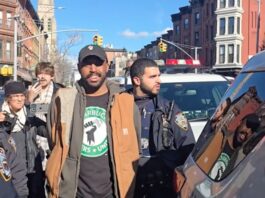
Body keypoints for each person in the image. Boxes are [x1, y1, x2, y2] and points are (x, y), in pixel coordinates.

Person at [45, 44, 141, 198]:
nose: (93, 69)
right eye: (87, 64)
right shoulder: (63, 99)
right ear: (78, 67)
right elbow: (54, 142)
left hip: (114, 192)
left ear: (107, 66)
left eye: (98, 63)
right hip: (73, 193)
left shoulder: (125, 101)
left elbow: (134, 146)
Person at [128, 58, 196, 198]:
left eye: (159, 76)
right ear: (137, 80)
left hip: (162, 187)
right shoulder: (120, 107)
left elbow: (188, 147)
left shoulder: (169, 110)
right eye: (153, 77)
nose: (159, 80)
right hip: (130, 186)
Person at [26, 62, 64, 198]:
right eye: (39, 73)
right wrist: (29, 100)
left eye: (46, 73)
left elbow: (56, 111)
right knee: (35, 186)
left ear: (52, 76)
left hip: (52, 141)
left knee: (53, 181)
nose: (42, 76)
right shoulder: (31, 91)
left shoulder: (59, 91)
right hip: (33, 142)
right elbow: (25, 115)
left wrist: (32, 107)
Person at [209, 113, 260, 181]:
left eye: (252, 131)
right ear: (239, 123)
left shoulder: (240, 160)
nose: (248, 131)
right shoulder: (219, 136)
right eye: (248, 125)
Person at [0, 81, 29, 197]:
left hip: (27, 169)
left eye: (22, 96)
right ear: (8, 98)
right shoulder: (2, 119)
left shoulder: (29, 116)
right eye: (16, 96)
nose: (20, 99)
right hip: (9, 173)